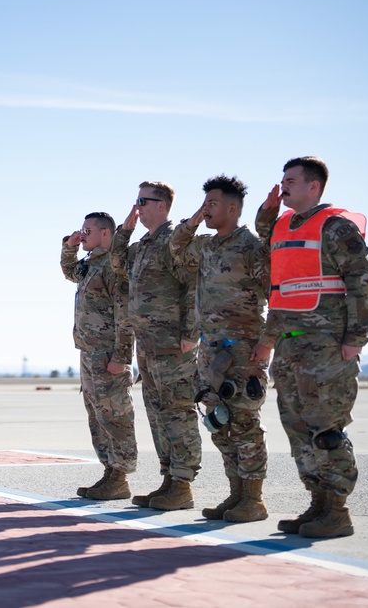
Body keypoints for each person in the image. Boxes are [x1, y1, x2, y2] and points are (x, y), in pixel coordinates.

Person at [253, 157, 368, 538]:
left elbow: (362, 283)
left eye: (291, 180)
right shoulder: (281, 228)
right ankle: (318, 504)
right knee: (298, 430)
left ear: (314, 187)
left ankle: (337, 510)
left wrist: (355, 338)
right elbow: (280, 291)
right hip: (290, 350)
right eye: (282, 180)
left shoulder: (335, 227)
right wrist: (267, 344)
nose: (283, 185)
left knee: (326, 429)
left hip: (326, 348)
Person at [169, 175, 271, 522]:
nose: (206, 208)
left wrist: (266, 344)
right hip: (210, 351)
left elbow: (276, 295)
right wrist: (196, 218)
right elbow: (176, 248)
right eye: (205, 203)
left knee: (244, 423)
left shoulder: (251, 247)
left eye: (212, 203)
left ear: (232, 207)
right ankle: (236, 494)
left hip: (243, 352)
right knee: (218, 423)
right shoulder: (206, 246)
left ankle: (254, 499)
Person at [110, 181, 200, 510]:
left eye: (142, 201)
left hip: (173, 343)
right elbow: (117, 266)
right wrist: (124, 232)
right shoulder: (143, 244)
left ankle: (183, 484)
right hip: (147, 345)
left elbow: (193, 285)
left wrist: (191, 332)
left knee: (178, 414)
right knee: (158, 415)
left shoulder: (175, 241)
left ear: (161, 205)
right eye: (136, 201)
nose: (137, 207)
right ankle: (169, 480)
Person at [61, 212, 136, 500]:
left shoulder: (114, 266)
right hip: (89, 352)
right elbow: (69, 271)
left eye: (87, 230)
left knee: (116, 415)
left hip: (108, 353)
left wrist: (121, 356)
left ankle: (120, 475)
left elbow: (124, 313)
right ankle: (110, 472)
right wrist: (70, 245)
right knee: (97, 416)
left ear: (106, 234)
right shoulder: (90, 264)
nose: (83, 234)